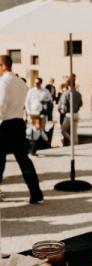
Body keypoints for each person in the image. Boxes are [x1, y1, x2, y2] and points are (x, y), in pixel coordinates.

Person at [0, 55, 43, 204]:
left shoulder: (4, 81)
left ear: (2, 65)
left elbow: (1, 105)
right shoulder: (20, 83)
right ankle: (36, 192)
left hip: (6, 124)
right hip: (18, 123)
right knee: (24, 160)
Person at [58, 80, 82, 146]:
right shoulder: (78, 94)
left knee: (63, 131)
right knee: (74, 132)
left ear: (68, 86)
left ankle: (72, 141)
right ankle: (75, 144)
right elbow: (80, 104)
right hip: (76, 114)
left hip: (69, 114)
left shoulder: (66, 93)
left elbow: (63, 105)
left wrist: (62, 110)